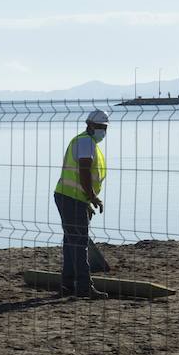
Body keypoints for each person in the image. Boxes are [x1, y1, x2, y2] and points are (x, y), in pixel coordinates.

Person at [53, 109, 110, 298]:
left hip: (71, 197)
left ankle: (67, 285)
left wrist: (86, 201)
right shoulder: (86, 142)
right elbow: (84, 171)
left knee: (71, 242)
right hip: (72, 198)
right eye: (101, 127)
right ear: (91, 125)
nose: (104, 131)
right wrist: (92, 197)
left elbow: (82, 175)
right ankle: (84, 287)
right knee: (79, 242)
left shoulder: (87, 142)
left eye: (105, 128)